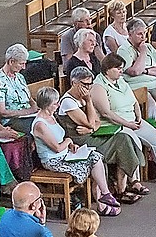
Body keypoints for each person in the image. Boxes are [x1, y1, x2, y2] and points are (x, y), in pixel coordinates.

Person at [92, 54, 156, 187]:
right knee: (135, 142)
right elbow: (106, 113)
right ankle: (135, 182)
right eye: (118, 68)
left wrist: (139, 116)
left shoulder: (121, 81)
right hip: (115, 125)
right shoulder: (98, 86)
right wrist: (127, 124)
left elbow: (134, 100)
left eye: (122, 68)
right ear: (107, 69)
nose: (121, 71)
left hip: (133, 121)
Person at [59, 66, 146, 204]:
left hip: (90, 135)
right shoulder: (68, 101)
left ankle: (122, 187)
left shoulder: (83, 97)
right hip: (79, 141)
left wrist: (90, 129)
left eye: (90, 84)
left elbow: (96, 123)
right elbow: (91, 123)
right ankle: (122, 189)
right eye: (85, 84)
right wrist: (88, 103)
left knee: (124, 138)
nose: (89, 88)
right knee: (121, 142)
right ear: (74, 83)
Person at [29, 86, 118, 217]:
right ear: (47, 105)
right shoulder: (40, 124)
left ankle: (105, 195)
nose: (58, 105)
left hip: (64, 155)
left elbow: (60, 139)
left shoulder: (52, 117)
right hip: (53, 161)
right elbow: (57, 148)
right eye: (55, 103)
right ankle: (101, 201)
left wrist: (71, 145)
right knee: (90, 162)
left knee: (96, 156)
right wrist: (69, 141)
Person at [118, 18, 156, 116]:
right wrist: (143, 52)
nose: (143, 37)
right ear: (130, 34)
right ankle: (152, 129)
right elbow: (134, 72)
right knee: (152, 106)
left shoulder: (149, 47)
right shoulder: (123, 50)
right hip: (137, 86)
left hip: (154, 83)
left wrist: (145, 71)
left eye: (144, 33)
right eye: (140, 34)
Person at [0, 43, 40, 134]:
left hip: (29, 115)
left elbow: (29, 97)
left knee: (51, 119)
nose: (24, 67)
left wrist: (35, 106)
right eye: (21, 64)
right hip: (11, 121)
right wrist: (28, 111)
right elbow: (2, 112)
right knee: (39, 127)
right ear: (11, 62)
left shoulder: (19, 77)